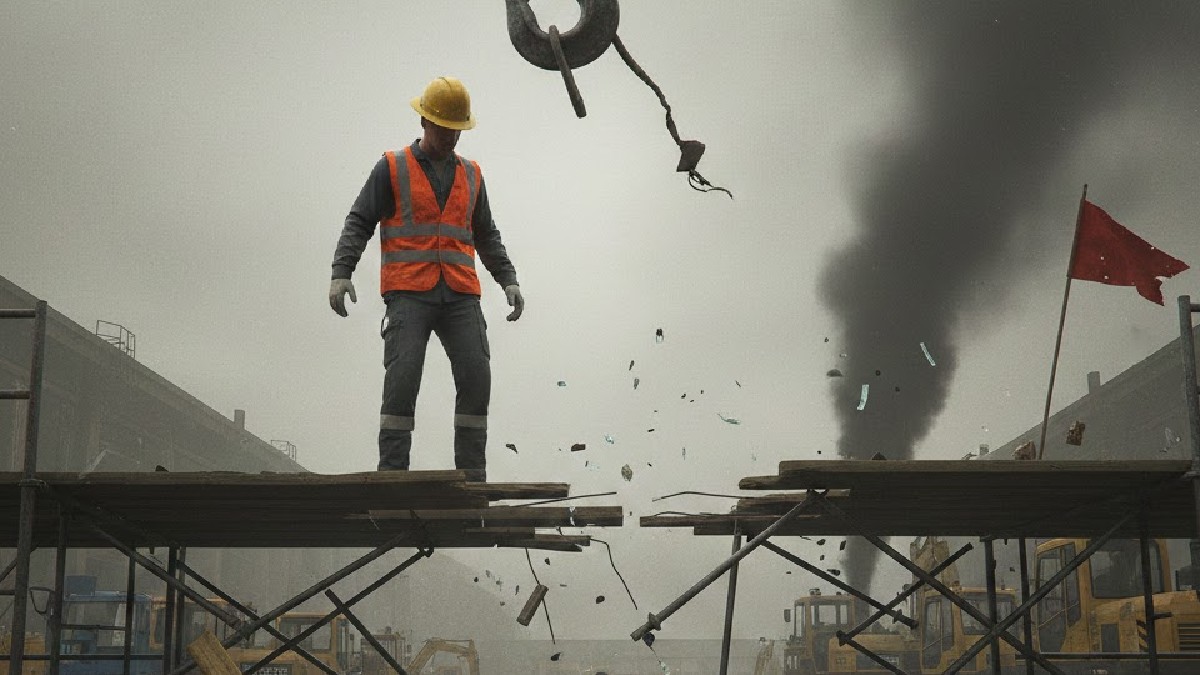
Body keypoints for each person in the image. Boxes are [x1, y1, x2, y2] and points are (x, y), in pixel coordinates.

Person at [328, 76, 523, 481]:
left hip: (460, 295)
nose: (451, 137)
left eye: (457, 130)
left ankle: (471, 480)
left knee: (476, 378)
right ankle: (393, 479)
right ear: (424, 122)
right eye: (444, 128)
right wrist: (341, 272)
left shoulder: (472, 175)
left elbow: (486, 233)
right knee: (402, 381)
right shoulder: (392, 167)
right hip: (408, 294)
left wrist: (508, 279)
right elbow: (360, 219)